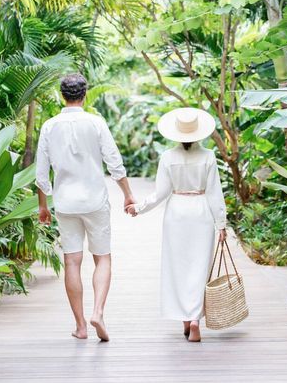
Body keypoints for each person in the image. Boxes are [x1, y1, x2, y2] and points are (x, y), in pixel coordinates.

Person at [35, 73, 135, 342]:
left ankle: (80, 326)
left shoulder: (49, 126)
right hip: (94, 201)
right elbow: (114, 163)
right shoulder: (96, 123)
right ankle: (98, 313)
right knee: (102, 257)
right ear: (85, 95)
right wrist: (127, 194)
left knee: (72, 260)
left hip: (65, 203)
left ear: (62, 95)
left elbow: (41, 174)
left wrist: (43, 206)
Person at [126, 107, 227, 342]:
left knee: (179, 267)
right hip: (201, 211)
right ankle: (194, 320)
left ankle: (185, 318)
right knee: (200, 267)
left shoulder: (168, 157)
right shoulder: (208, 156)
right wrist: (221, 224)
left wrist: (138, 208)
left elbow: (160, 193)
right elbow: (214, 193)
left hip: (177, 212)